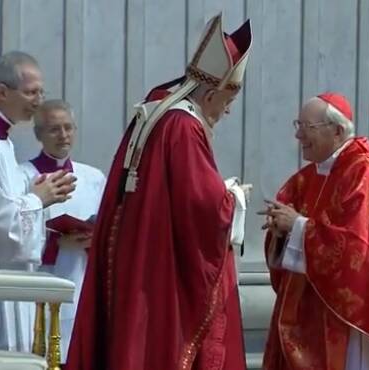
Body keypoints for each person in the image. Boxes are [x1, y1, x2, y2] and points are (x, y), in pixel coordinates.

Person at [66, 13, 252, 370]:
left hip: (137, 250)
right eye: (227, 102)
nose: (227, 112)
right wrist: (234, 198)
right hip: (158, 267)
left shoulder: (158, 106)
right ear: (211, 93)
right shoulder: (185, 126)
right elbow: (204, 208)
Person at [259, 93, 369, 370]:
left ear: (337, 130)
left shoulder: (363, 173)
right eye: (297, 125)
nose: (299, 135)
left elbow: (354, 248)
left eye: (307, 127)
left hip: (346, 318)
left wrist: (297, 226)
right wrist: (280, 231)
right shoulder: (307, 178)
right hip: (308, 311)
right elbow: (291, 233)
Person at [0, 51, 76, 351]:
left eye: (41, 92)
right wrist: (37, 198)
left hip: (2, 293)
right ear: (2, 92)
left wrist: (35, 191)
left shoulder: (1, 142)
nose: (39, 100)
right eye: (31, 92)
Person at [19, 99, 106, 362]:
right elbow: (13, 233)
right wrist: (56, 242)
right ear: (38, 134)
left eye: (68, 128)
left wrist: (93, 238)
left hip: (81, 283)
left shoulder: (93, 178)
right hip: (40, 283)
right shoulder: (23, 176)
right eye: (54, 129)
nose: (63, 135)